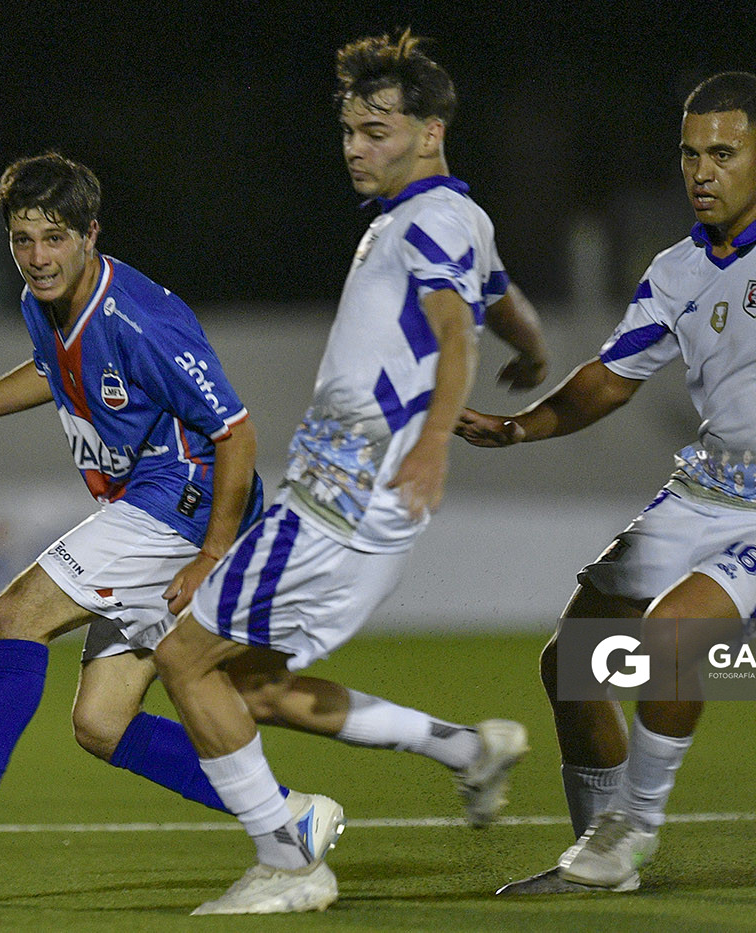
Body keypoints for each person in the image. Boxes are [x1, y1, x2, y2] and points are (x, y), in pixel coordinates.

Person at [0, 151, 518, 883]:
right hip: (154, 509)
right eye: (23, 240)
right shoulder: (45, 301)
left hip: (181, 506)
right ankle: (399, 772)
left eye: (55, 238)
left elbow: (237, 431)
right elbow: (49, 370)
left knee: (15, 615)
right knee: (124, 720)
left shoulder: (141, 320)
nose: (38, 257)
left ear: (91, 233)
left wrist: (210, 552)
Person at [457, 71, 756, 895]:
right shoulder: (676, 269)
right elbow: (610, 378)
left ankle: (632, 834)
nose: (702, 172)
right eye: (690, 155)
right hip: (701, 493)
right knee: (571, 661)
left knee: (671, 639)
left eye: (723, 153)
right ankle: (600, 857)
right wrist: (519, 427)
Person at [151, 31, 547, 915]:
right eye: (349, 132)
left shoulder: (431, 221)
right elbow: (501, 303)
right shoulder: (452, 219)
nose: (356, 149)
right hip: (363, 508)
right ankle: (466, 749)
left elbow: (458, 334)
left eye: (376, 130)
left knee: (182, 658)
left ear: (431, 130)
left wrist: (439, 435)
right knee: (256, 686)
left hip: (339, 501)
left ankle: (289, 863)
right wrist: (536, 346)